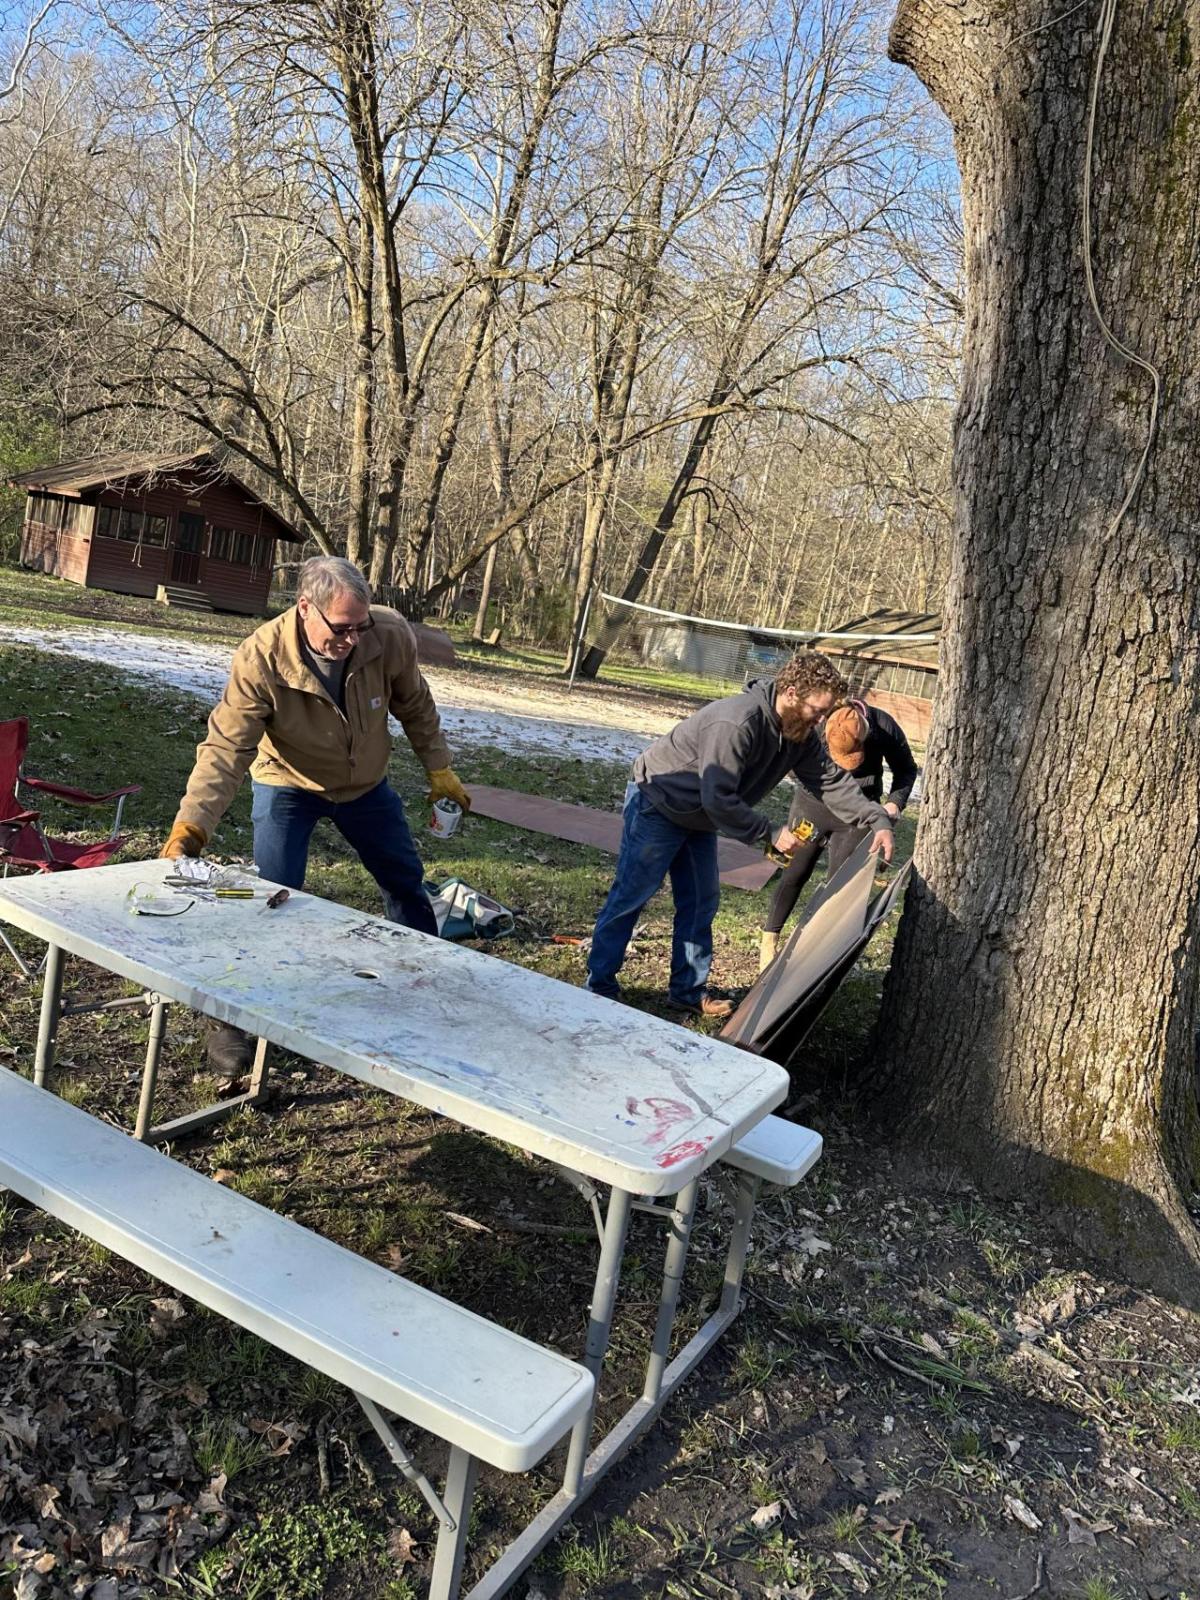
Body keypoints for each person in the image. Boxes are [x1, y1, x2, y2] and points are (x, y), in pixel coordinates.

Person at [161, 554, 470, 1069]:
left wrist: (440, 768)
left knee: (405, 883)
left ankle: (422, 986)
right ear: (305, 607)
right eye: (342, 629)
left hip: (365, 786)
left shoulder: (388, 635)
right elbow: (225, 750)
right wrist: (192, 824)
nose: (353, 639)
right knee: (272, 897)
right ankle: (234, 1022)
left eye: (361, 627)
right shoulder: (259, 658)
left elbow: (415, 705)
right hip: (289, 783)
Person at [586, 652, 894, 1018]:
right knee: (632, 894)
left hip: (699, 817)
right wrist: (768, 832)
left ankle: (687, 991)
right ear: (792, 693)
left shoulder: (799, 735)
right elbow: (717, 797)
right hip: (660, 801)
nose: (822, 720)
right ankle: (599, 986)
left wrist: (876, 818)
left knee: (701, 901)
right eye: (818, 709)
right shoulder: (737, 722)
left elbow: (829, 781)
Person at [758, 696, 917, 971]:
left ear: (866, 734)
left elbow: (906, 769)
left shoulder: (884, 727)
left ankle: (814, 950)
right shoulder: (816, 724)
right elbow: (791, 760)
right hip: (812, 804)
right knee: (795, 871)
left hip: (859, 812)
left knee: (840, 886)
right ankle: (769, 938)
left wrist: (894, 803)